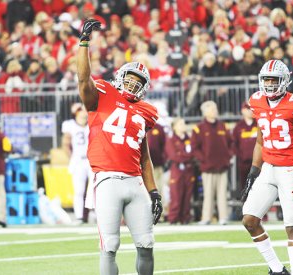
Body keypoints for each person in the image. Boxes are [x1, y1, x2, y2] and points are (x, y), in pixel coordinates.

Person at [77, 19, 162, 275]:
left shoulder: (146, 111)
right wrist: (84, 43)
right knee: (110, 245)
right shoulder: (101, 93)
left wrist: (154, 191)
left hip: (135, 183)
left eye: (139, 82)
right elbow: (83, 79)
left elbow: (144, 157)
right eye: (130, 79)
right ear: (120, 77)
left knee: (146, 244)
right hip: (108, 180)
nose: (133, 84)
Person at [242, 60, 293, 275]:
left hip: (290, 169)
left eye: (274, 80)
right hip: (268, 168)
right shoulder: (256, 101)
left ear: (285, 81)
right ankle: (276, 269)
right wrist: (253, 171)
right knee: (250, 219)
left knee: (291, 225)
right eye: (267, 80)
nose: (270, 84)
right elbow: (260, 141)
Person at [192, 101, 232, 225]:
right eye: (212, 109)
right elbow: (195, 147)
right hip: (207, 167)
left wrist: (228, 156)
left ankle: (223, 217)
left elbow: (231, 143)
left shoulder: (223, 126)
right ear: (205, 112)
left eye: (215, 108)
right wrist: (203, 159)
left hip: (222, 166)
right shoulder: (199, 128)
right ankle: (206, 218)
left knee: (222, 194)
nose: (215, 111)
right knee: (208, 194)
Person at [61, 104, 92, 223]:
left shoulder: (91, 124)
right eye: (80, 111)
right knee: (78, 190)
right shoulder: (70, 126)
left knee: (94, 189)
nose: (83, 113)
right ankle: (79, 216)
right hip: (78, 160)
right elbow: (65, 144)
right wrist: (71, 157)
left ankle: (96, 215)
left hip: (91, 159)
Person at [164, 117, 195, 224]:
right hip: (177, 169)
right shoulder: (171, 139)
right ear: (174, 127)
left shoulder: (188, 138)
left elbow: (192, 153)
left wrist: (183, 155)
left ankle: (185, 217)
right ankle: (173, 218)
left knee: (187, 194)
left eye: (184, 124)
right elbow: (173, 156)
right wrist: (185, 157)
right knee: (176, 194)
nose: (183, 126)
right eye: (180, 124)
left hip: (188, 169)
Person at [232, 102, 258, 198]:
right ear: (243, 110)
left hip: (258, 163)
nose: (251, 111)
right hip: (244, 163)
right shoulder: (238, 127)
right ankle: (247, 210)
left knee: (259, 187)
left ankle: (262, 213)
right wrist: (241, 156)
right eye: (248, 109)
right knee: (245, 187)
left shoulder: (258, 124)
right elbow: (233, 144)